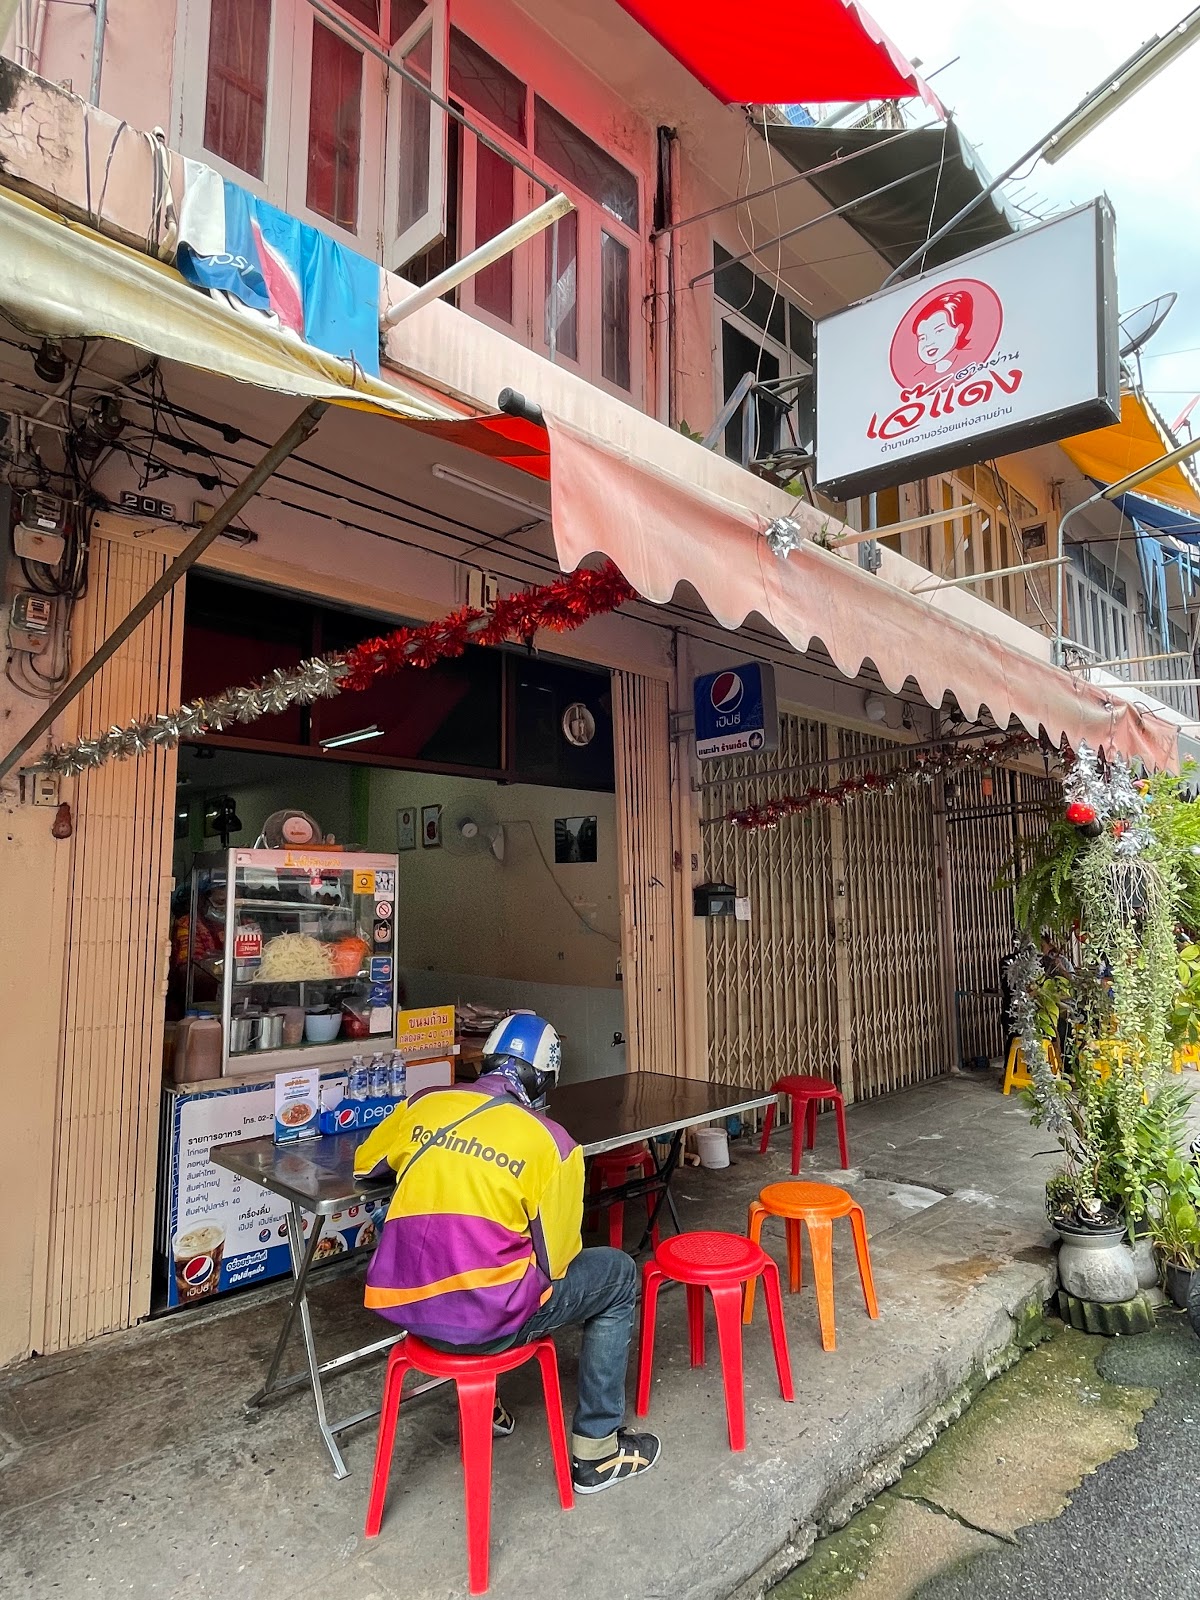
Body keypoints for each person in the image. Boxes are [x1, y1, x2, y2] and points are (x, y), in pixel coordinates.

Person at [354, 1012, 661, 1493]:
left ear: (489, 1061)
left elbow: (365, 1164)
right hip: (485, 1326)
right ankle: (597, 1452)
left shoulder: (425, 1103)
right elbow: (556, 1262)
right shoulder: (554, 1144)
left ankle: (488, 1410)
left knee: (464, 1253)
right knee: (618, 1275)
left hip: (407, 1309)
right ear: (544, 1082)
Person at [912, 289, 974, 376]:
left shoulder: (972, 359)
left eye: (938, 331)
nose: (929, 342)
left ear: (959, 330)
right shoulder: (918, 377)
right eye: (922, 338)